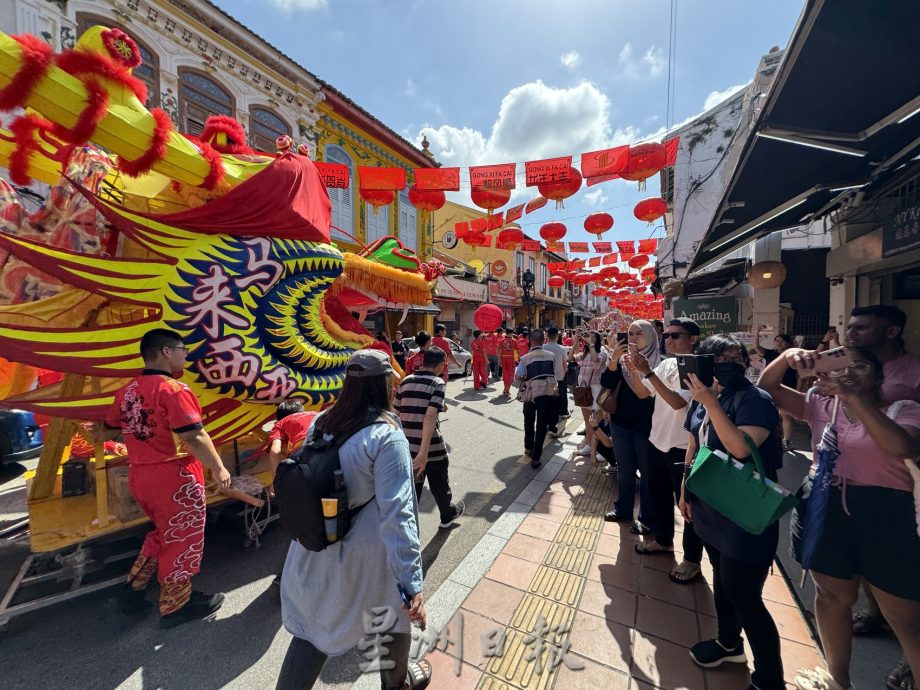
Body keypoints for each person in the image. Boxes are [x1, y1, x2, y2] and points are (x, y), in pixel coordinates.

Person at [760, 345, 920, 690]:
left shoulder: (903, 409)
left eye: (859, 366)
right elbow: (768, 388)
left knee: (905, 617)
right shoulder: (820, 405)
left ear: (879, 375)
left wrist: (852, 398)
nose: (848, 372)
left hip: (884, 515)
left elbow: (902, 447)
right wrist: (787, 357)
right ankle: (838, 680)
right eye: (841, 366)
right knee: (832, 596)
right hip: (825, 504)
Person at [278, 349, 431, 690]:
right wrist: (412, 582)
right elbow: (399, 514)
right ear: (386, 384)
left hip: (317, 543)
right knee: (393, 616)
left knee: (313, 630)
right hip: (366, 554)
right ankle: (396, 684)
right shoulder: (386, 436)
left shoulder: (321, 422)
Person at [99, 328, 232, 627]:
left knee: (163, 533)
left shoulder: (128, 391)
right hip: (174, 477)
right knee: (182, 538)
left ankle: (134, 589)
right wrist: (218, 467)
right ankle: (175, 605)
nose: (186, 355)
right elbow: (195, 436)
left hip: (141, 474)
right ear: (166, 352)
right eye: (183, 350)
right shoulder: (173, 390)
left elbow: (108, 428)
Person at [681, 335, 785, 690]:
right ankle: (729, 644)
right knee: (722, 579)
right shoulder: (704, 397)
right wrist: (685, 489)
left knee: (745, 595)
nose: (732, 364)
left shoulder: (755, 400)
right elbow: (694, 444)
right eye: (721, 358)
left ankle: (770, 679)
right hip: (711, 505)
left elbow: (740, 448)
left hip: (744, 512)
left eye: (737, 357)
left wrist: (711, 403)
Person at [625, 317, 705, 584]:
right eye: (666, 335)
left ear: (693, 338)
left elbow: (678, 403)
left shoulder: (696, 367)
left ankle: (691, 559)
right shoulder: (667, 363)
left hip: (682, 447)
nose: (668, 340)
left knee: (687, 506)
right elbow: (642, 393)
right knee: (658, 495)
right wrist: (635, 370)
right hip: (657, 440)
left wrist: (647, 372)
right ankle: (663, 540)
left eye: (675, 336)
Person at [395, 347, 465, 530]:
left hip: (408, 446)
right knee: (439, 483)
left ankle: (407, 528)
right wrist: (423, 453)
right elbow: (429, 416)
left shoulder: (406, 381)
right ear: (441, 364)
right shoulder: (437, 383)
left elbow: (396, 413)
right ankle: (447, 515)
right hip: (431, 447)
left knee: (413, 490)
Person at [601, 321, 658, 536]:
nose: (633, 338)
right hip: (620, 423)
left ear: (650, 337)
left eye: (639, 334)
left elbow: (646, 396)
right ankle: (623, 510)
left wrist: (637, 369)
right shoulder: (623, 361)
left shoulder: (658, 363)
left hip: (647, 426)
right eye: (630, 334)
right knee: (624, 470)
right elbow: (607, 382)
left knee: (647, 473)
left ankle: (646, 518)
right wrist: (614, 360)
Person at [515, 329, 558, 469]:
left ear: (531, 341)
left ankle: (529, 447)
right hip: (547, 393)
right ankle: (536, 458)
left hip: (530, 394)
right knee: (541, 426)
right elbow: (554, 373)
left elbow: (518, 376)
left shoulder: (525, 358)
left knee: (528, 421)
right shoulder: (551, 356)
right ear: (543, 340)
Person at [754, 324, 798, 450]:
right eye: (776, 340)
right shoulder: (770, 354)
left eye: (781, 341)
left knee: (786, 416)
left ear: (788, 344)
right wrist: (757, 332)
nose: (778, 343)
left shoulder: (793, 355)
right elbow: (756, 347)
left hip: (787, 388)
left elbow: (799, 375)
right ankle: (768, 439)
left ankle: (786, 441)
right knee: (768, 414)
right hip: (770, 388)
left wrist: (799, 389)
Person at [569, 331, 608, 456]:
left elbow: (596, 360)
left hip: (596, 388)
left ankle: (601, 449)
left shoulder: (602, 351)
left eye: (592, 337)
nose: (588, 338)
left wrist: (591, 345)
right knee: (587, 420)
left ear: (597, 339)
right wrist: (575, 342)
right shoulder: (585, 353)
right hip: (584, 389)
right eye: (587, 336)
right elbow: (570, 358)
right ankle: (589, 446)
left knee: (597, 420)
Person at [543, 326, 568, 436]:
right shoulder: (562, 348)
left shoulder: (542, 347)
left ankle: (545, 423)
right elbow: (564, 364)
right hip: (558, 378)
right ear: (557, 336)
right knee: (556, 403)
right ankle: (552, 427)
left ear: (547, 336)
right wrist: (563, 374)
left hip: (544, 379)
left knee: (545, 401)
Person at [497, 328, 520, 396]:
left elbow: (499, 351)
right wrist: (518, 358)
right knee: (510, 374)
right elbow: (518, 350)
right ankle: (507, 390)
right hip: (511, 359)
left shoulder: (501, 340)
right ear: (512, 333)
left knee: (505, 374)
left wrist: (499, 360)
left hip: (503, 358)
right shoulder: (514, 341)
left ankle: (505, 389)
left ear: (506, 332)